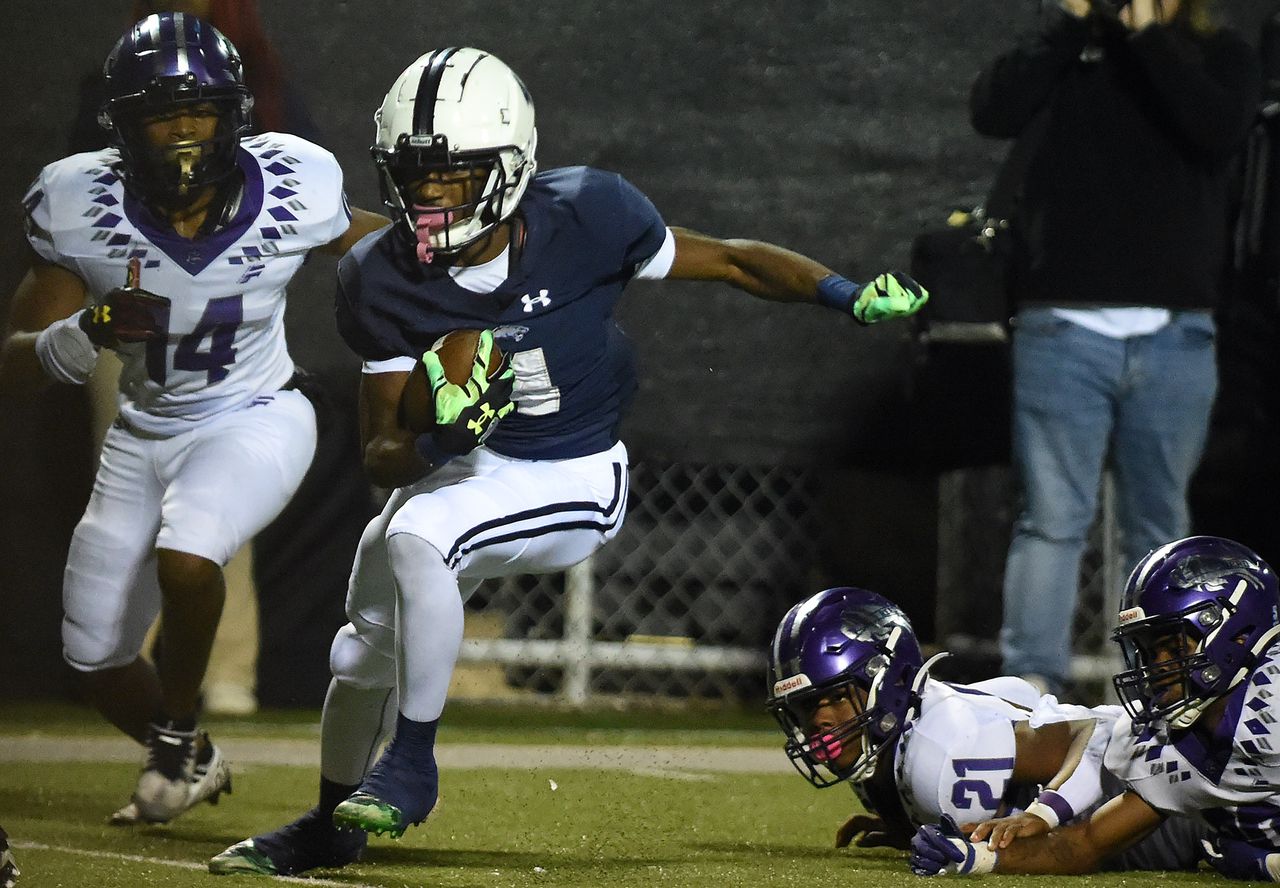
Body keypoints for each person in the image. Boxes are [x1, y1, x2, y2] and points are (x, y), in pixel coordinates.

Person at [206, 45, 928, 876]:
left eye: (453, 177)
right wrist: (444, 437)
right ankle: (333, 821)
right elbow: (382, 454)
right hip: (467, 469)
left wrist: (843, 295)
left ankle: (411, 762)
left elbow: (729, 258)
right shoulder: (378, 277)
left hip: (575, 470)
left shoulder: (589, 214)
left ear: (512, 169)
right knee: (361, 650)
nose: (428, 199)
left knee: (419, 539)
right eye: (412, 176)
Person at [0, 12, 386, 825]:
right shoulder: (78, 202)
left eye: (199, 111)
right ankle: (193, 755)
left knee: (189, 553)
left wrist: (466, 271)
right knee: (93, 655)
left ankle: (174, 732)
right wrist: (90, 332)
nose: (182, 131)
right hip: (142, 434)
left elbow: (381, 254)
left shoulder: (292, 182)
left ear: (234, 113)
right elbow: (14, 365)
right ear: (122, 127)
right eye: (161, 114)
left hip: (257, 413)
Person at [972, 0, 1260, 696]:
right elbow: (994, 110)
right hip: (1064, 328)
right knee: (1051, 519)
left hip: (1175, 335)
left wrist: (1148, 36)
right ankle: (1030, 688)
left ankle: (1163, 687)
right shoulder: (1069, 54)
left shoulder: (1220, 55)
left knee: (1159, 528)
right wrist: (1070, 24)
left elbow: (1217, 131)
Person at [909, 536, 1280, 880]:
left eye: (1174, 647)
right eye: (1149, 652)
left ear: (1240, 635)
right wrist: (975, 857)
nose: (1157, 669)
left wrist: (1261, 864)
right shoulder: (1178, 737)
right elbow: (1086, 843)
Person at [766, 586, 1201, 869]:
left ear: (888, 680)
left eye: (837, 698)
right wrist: (909, 825)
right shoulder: (891, 742)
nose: (819, 721)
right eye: (804, 707)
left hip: (1158, 796)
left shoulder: (945, 748)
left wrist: (1043, 812)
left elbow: (1087, 733)